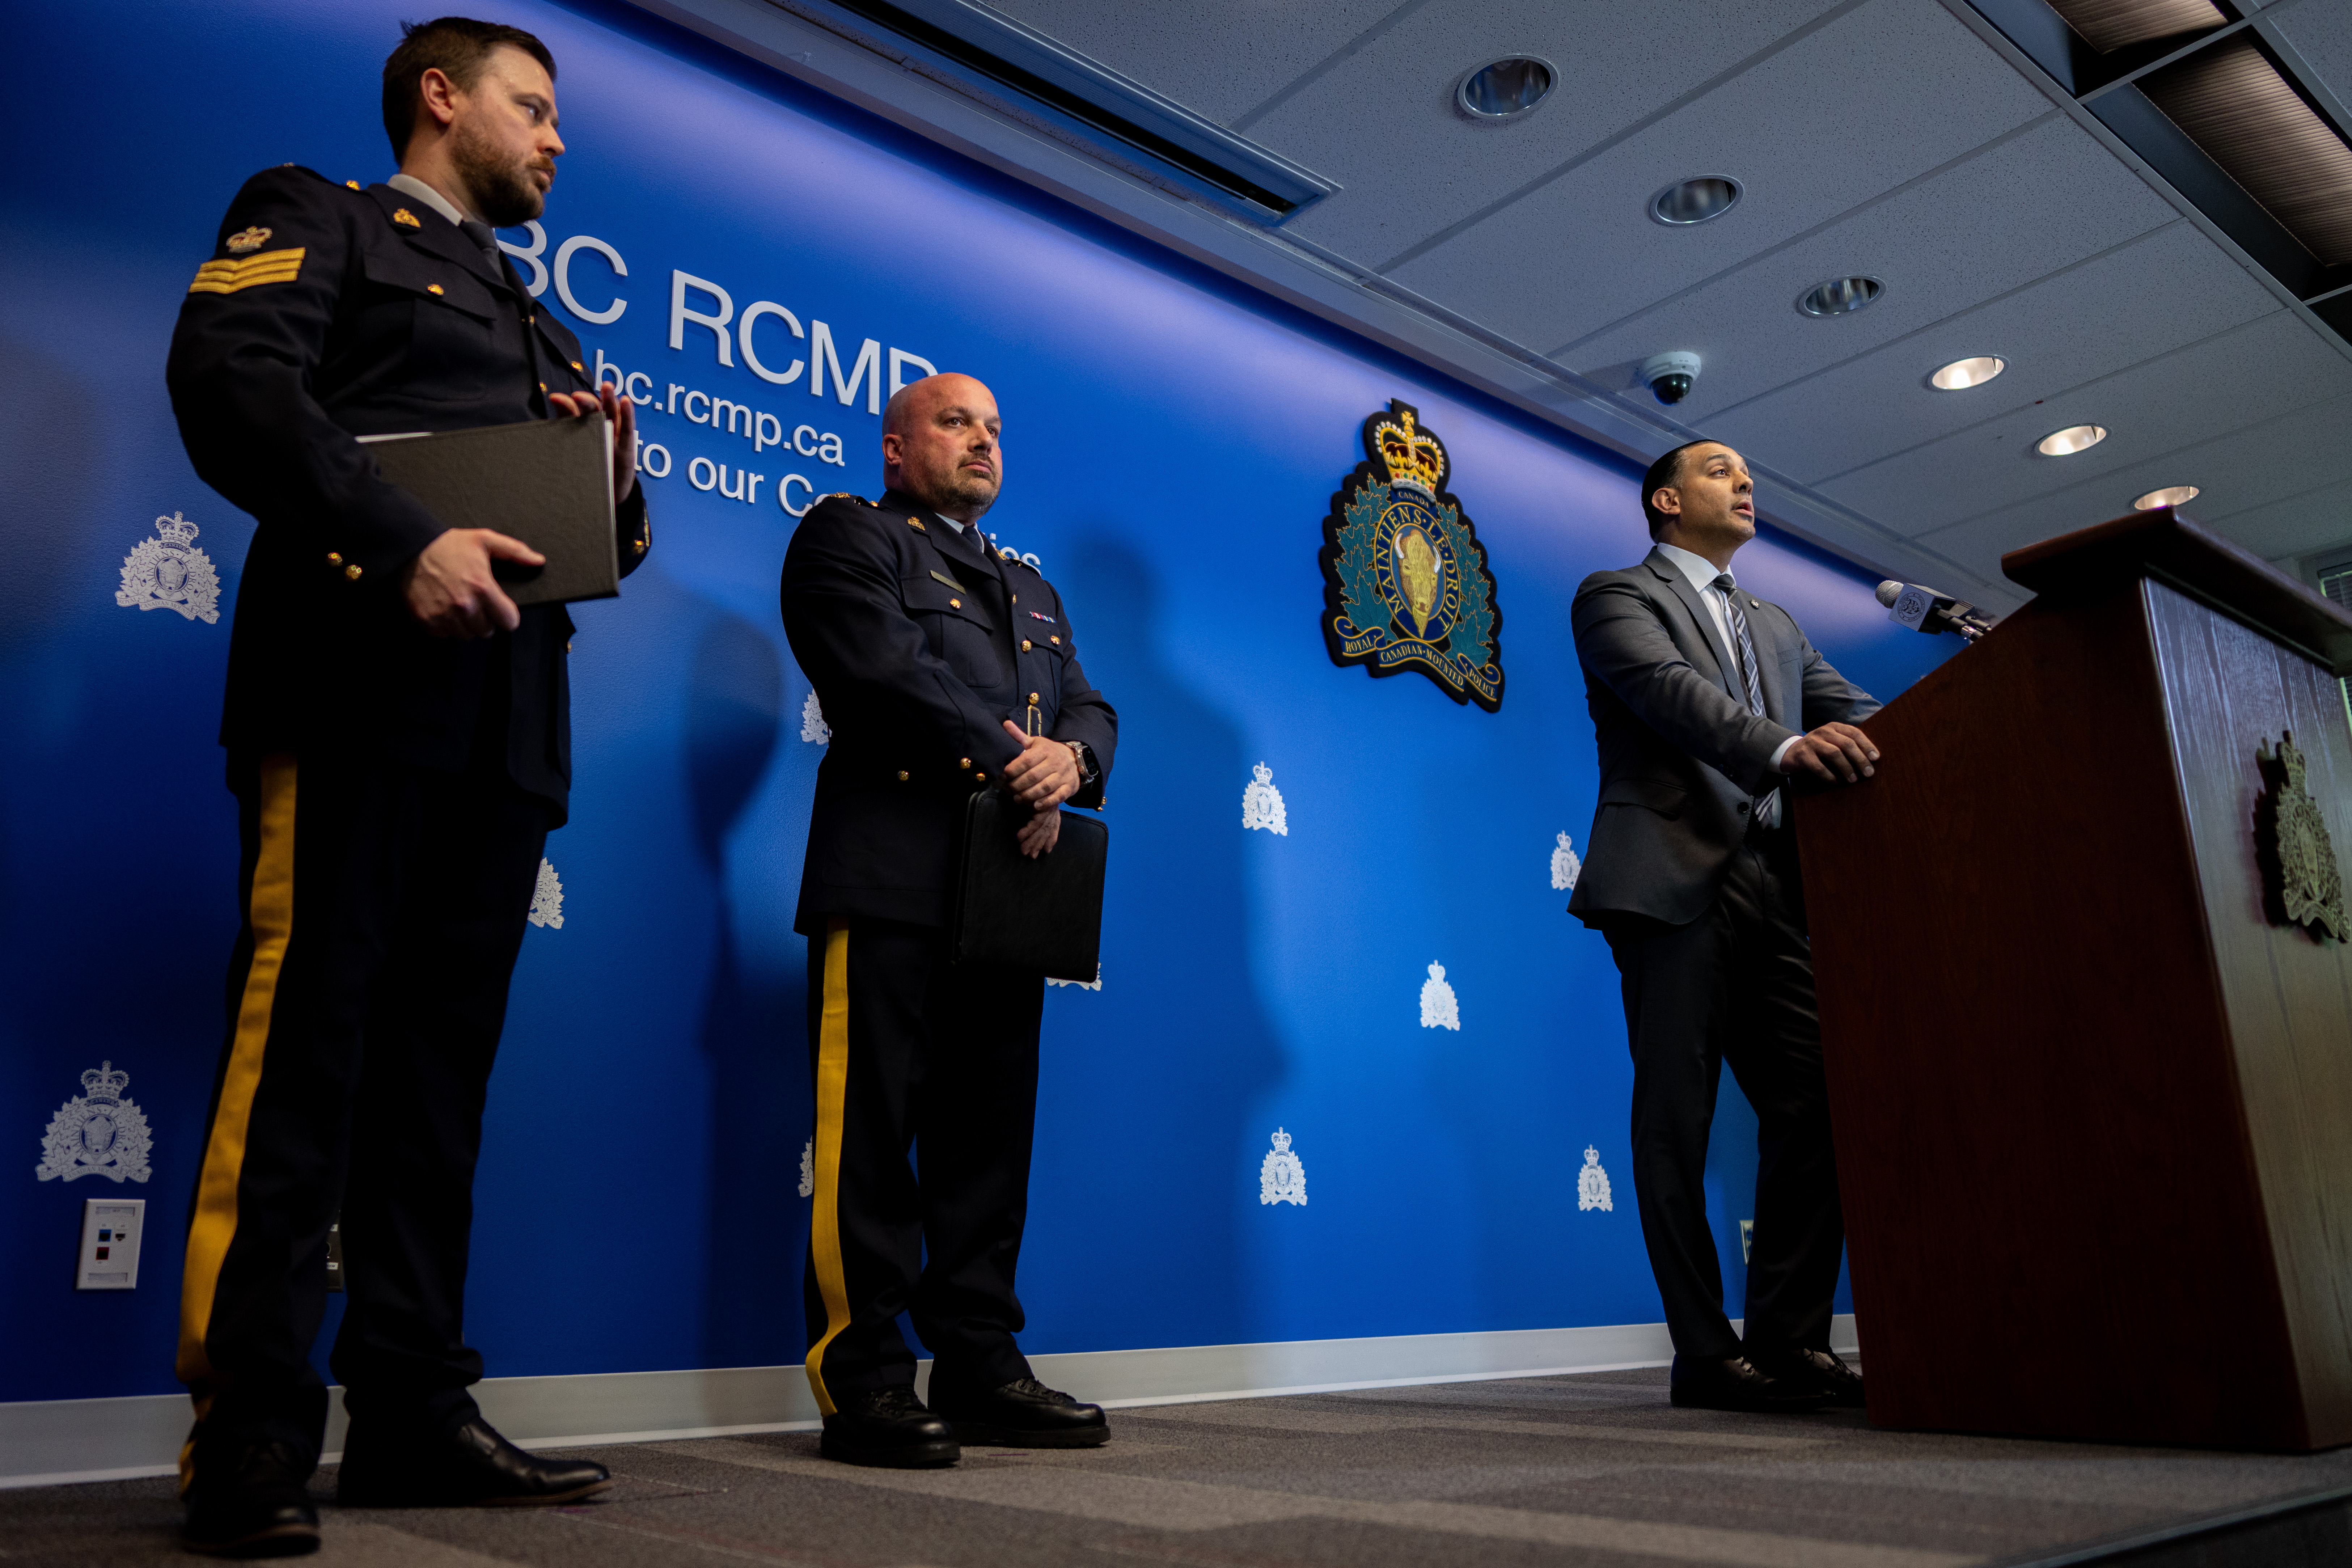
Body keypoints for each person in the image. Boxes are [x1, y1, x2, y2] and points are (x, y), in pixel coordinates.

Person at [165, 17, 651, 1555]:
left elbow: (599, 547)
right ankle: (248, 1427)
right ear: (441, 99)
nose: (557, 139)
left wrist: (609, 480)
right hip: (352, 696)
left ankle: (410, 1413)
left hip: (503, 738)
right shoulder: (319, 214)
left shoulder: (539, 319)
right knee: (304, 1056)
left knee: (438, 1093)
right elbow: (233, 381)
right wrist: (400, 541)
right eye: (534, 107)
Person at [778, 372, 1118, 1468]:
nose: (982, 441)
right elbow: (886, 672)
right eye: (956, 422)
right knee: (871, 1142)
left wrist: (1075, 761)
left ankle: (979, 1366)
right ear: (895, 447)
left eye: (995, 429)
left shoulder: (1031, 587)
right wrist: (1023, 765)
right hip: (889, 878)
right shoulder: (848, 536)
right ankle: (864, 1380)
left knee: (986, 1147)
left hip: (1009, 895)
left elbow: (1089, 705)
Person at [1567, 440, 1880, 1415]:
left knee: (1819, 1104)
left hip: (1777, 886)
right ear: (1666, 501)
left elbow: (1863, 717)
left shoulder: (1777, 625)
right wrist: (1785, 748)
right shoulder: (1616, 596)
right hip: (1669, 878)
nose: (1745, 483)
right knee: (1678, 1123)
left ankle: (1790, 1339)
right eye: (1719, 471)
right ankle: (1703, 1354)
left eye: (1749, 474)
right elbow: (1674, 695)